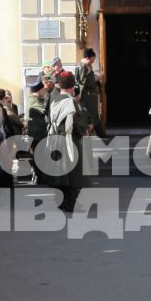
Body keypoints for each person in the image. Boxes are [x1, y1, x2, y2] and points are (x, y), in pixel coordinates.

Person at [49, 70, 85, 209]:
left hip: (56, 138)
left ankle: (62, 201)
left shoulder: (55, 99)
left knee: (61, 173)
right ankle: (70, 203)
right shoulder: (71, 103)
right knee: (73, 173)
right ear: (72, 86)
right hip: (69, 140)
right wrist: (83, 131)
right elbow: (78, 124)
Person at [78, 47, 102, 135]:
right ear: (87, 58)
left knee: (94, 115)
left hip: (91, 96)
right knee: (90, 115)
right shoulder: (82, 67)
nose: (93, 61)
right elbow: (81, 81)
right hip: (86, 96)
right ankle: (97, 134)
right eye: (92, 59)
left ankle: (97, 134)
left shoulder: (88, 66)